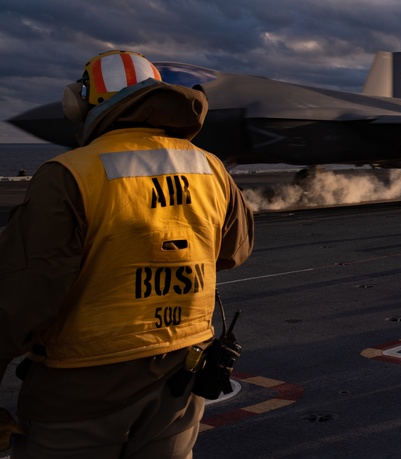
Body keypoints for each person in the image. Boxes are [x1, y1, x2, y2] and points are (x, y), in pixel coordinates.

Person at [0, 50, 254, 458]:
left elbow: (21, 296)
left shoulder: (69, 174)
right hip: (182, 375)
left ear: (82, 103)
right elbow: (234, 252)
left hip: (82, 388)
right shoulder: (211, 168)